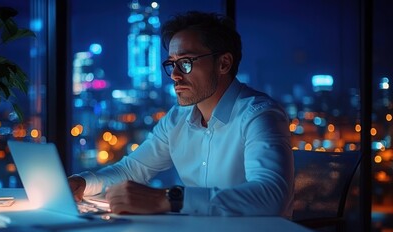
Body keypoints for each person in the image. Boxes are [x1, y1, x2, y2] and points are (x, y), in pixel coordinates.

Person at [68, 11, 294, 217]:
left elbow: (271, 196)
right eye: (171, 64)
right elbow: (132, 170)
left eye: (186, 62)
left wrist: (168, 198)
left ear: (224, 63)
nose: (174, 75)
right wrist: (83, 183)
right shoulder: (177, 119)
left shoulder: (259, 115)